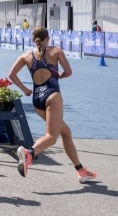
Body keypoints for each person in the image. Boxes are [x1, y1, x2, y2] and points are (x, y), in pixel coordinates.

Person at [8, 26, 97, 183]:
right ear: (47, 38)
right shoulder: (56, 51)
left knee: (66, 133)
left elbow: (11, 75)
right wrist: (59, 76)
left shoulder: (26, 56)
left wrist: (25, 89)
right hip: (52, 96)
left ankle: (81, 170)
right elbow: (68, 72)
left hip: (37, 100)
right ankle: (29, 153)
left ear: (32, 39)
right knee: (51, 137)